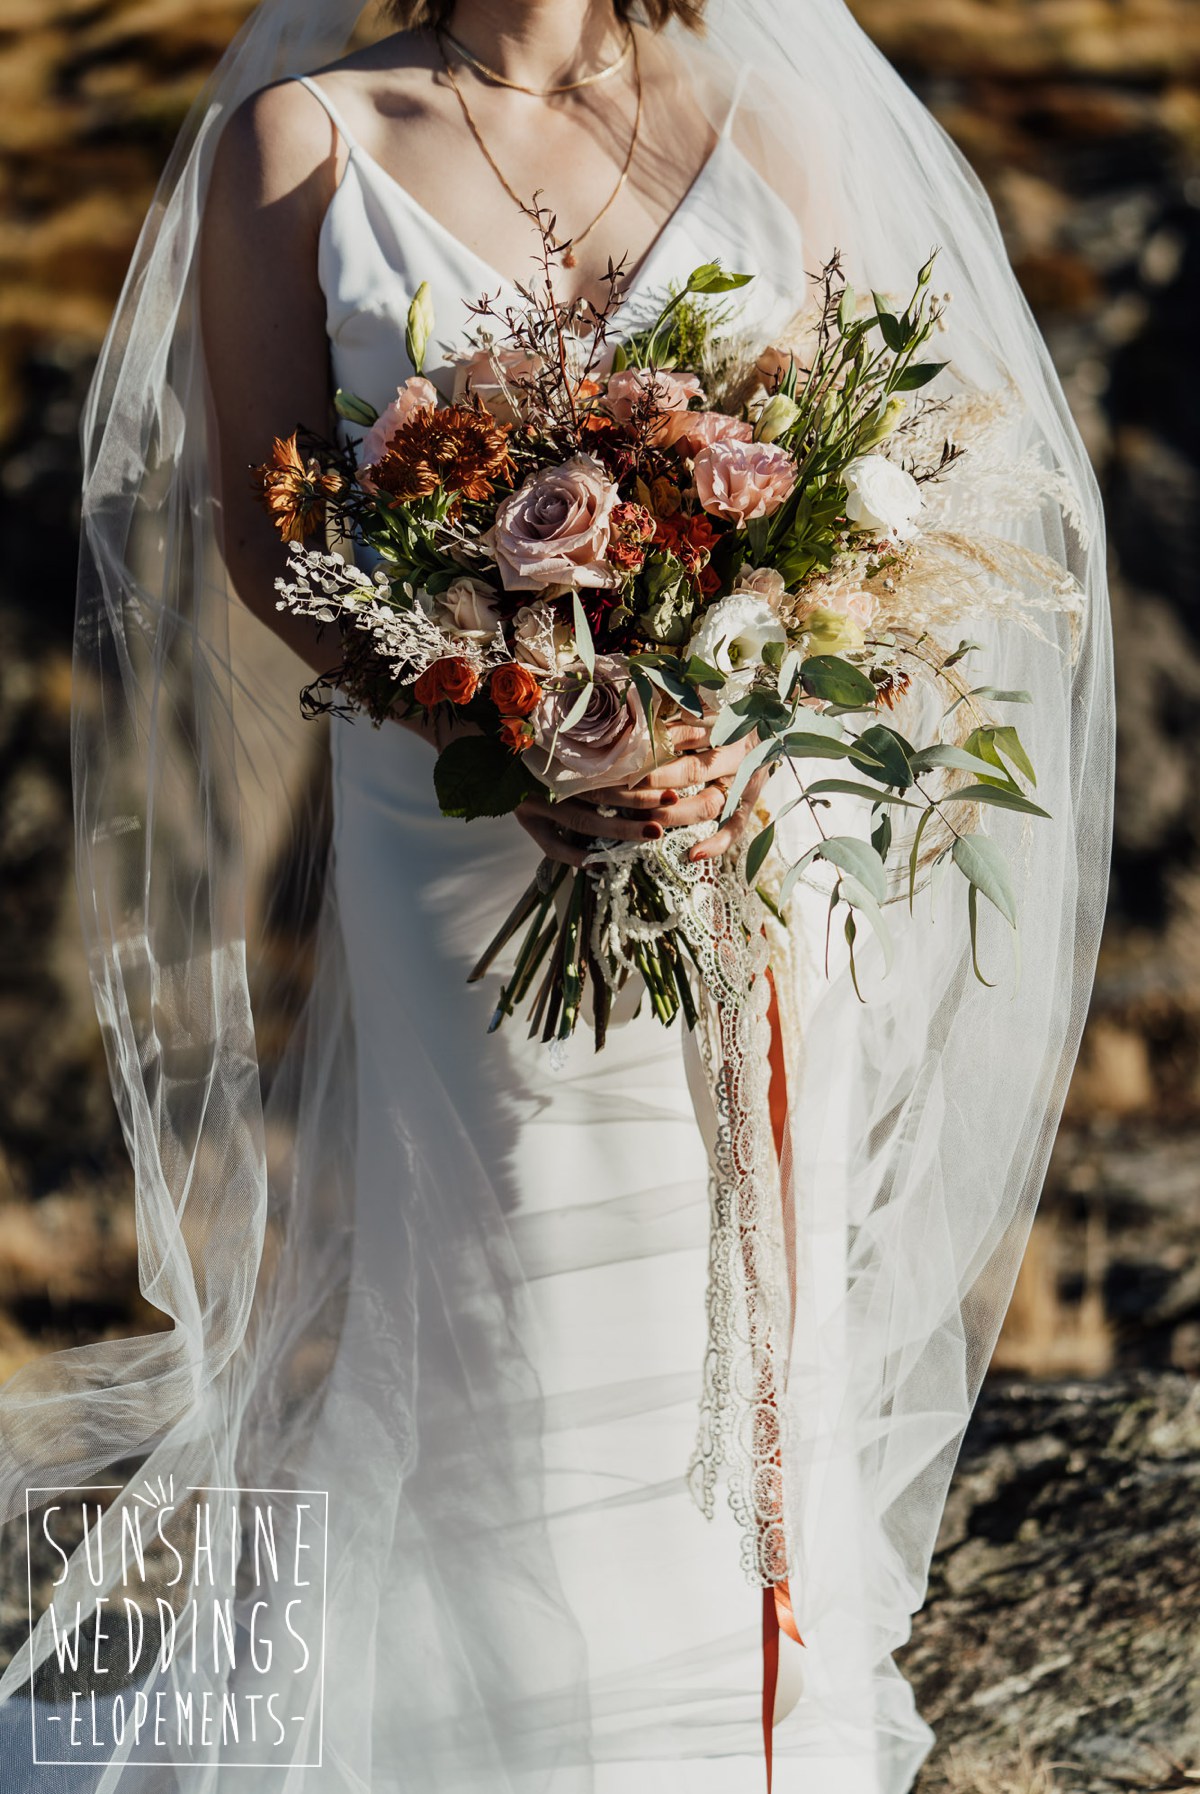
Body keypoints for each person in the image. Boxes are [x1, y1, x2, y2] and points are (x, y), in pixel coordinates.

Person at [0, 2, 1112, 1790]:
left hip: (737, 818)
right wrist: (509, 720)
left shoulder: (766, 118)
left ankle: (725, 1732)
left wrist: (734, 727)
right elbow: (274, 543)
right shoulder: (298, 142)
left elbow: (863, 493)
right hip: (450, 816)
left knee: (746, 1250)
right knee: (505, 1254)